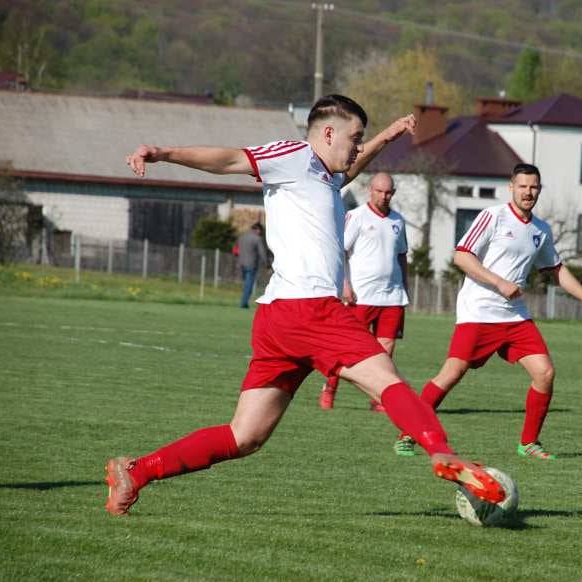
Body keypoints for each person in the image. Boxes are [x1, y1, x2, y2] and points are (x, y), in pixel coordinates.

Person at [105, 94, 506, 516]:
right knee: (386, 379)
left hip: (280, 317)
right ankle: (442, 453)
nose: (356, 146)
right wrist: (164, 153)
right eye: (354, 137)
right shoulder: (293, 156)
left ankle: (137, 471)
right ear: (328, 132)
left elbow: (348, 171)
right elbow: (229, 159)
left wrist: (384, 139)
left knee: (246, 435)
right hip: (309, 308)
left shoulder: (322, 176)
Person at [394, 163, 582, 458]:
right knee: (452, 373)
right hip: (479, 310)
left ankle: (529, 443)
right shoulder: (492, 216)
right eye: (522, 186)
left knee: (545, 373)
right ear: (511, 187)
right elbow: (461, 256)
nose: (528, 192)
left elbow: (556, 270)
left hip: (514, 315)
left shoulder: (540, 230)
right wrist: (499, 282)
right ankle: (409, 432)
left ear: (539, 190)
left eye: (533, 187)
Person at [318, 172, 409, 413]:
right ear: (370, 190)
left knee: (385, 350)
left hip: (392, 296)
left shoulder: (398, 221)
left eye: (388, 192)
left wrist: (405, 288)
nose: (384, 196)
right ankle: (330, 386)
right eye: (379, 191)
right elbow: (340, 252)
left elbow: (402, 256)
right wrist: (344, 284)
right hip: (361, 296)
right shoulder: (356, 217)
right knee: (346, 347)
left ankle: (380, 397)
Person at [237, 222, 268, 308]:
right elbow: (262, 253)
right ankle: (244, 303)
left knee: (245, 284)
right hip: (251, 264)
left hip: (241, 263)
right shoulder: (257, 239)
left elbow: (237, 249)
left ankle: (244, 301)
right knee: (249, 285)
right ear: (257, 230)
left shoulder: (242, 236)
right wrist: (267, 264)